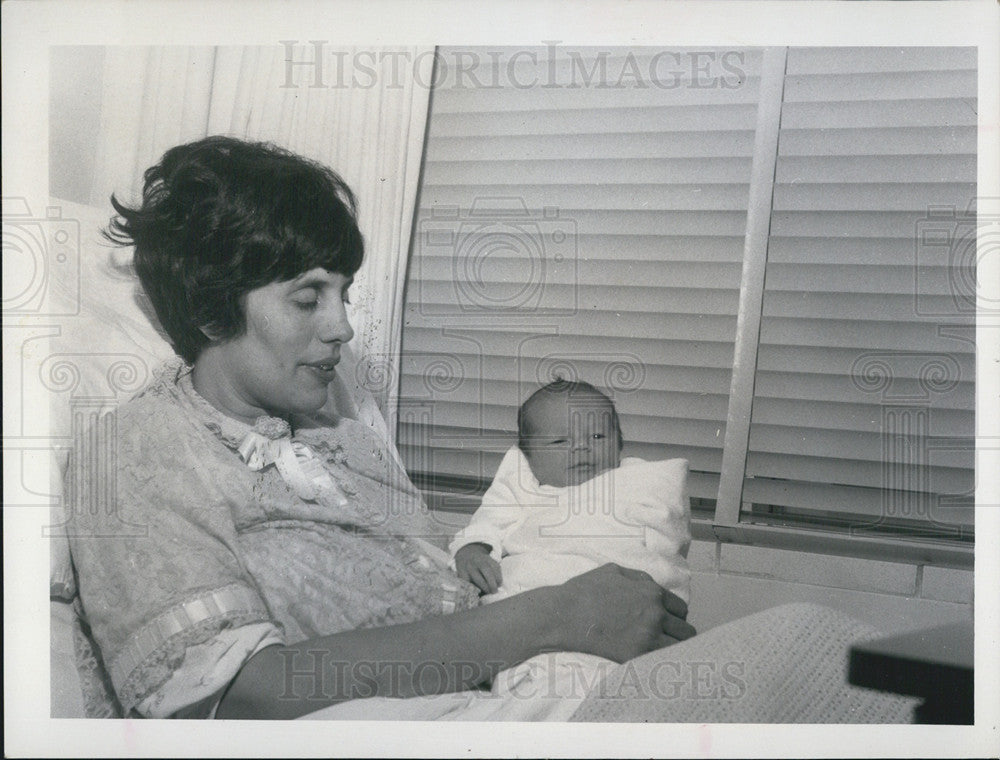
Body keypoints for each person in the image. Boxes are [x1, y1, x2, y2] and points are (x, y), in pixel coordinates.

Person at [65, 136, 695, 721]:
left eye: (345, 295)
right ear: (209, 312)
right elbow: (224, 698)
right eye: (308, 299)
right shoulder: (140, 452)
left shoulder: (337, 437)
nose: (342, 328)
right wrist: (553, 617)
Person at [452, 379, 691, 604]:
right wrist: (472, 550)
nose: (581, 446)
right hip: (534, 599)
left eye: (597, 436)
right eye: (560, 441)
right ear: (528, 457)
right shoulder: (525, 488)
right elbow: (487, 524)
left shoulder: (636, 481)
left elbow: (667, 535)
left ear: (619, 444)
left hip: (620, 599)